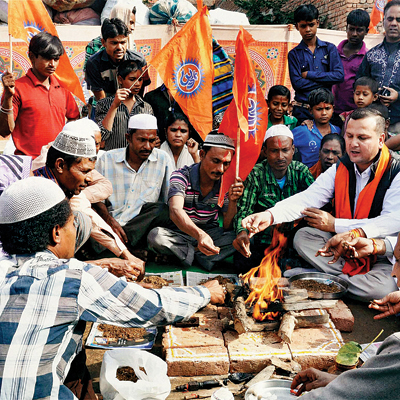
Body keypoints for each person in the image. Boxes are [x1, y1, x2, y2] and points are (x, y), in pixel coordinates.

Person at [0, 176, 225, 399]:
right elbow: (154, 307)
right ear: (56, 232)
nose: (75, 231)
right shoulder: (73, 276)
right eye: (73, 224)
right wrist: (205, 292)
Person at [241, 108, 400, 301]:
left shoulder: (396, 171)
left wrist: (336, 226)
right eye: (349, 136)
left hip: (383, 253)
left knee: (383, 289)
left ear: (381, 139)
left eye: (362, 138)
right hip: (345, 250)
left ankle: (319, 280)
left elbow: (391, 222)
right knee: (303, 237)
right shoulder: (343, 167)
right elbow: (309, 197)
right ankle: (333, 281)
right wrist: (270, 215)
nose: (353, 144)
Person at [147, 132, 244, 271]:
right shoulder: (181, 176)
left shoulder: (226, 182)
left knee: (241, 236)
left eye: (226, 163)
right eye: (216, 161)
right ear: (202, 154)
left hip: (211, 233)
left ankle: (185, 255)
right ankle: (203, 256)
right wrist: (200, 235)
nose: (220, 169)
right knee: (156, 236)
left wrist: (233, 201)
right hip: (181, 232)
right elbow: (175, 211)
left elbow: (228, 225)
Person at [233, 125, 314, 273]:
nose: (280, 157)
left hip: (293, 243)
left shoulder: (301, 172)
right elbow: (244, 209)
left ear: (293, 150)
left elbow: (316, 205)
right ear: (265, 151)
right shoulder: (256, 174)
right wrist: (242, 233)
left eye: (285, 150)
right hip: (263, 243)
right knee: (242, 262)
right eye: (274, 151)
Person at [291, 290, 400, 399]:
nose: (393, 274)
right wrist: (337, 380)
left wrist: (341, 384)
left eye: (397, 271)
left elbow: (364, 391)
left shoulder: (396, 347)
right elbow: (375, 384)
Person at [94, 114, 173, 256]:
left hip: (142, 227)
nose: (147, 146)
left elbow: (169, 198)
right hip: (110, 224)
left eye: (152, 141)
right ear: (128, 138)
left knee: (162, 209)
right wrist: (108, 220)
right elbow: (96, 199)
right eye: (142, 140)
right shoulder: (107, 159)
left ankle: (114, 247)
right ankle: (123, 248)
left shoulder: (163, 159)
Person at [0, 32, 79, 158]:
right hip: (27, 163)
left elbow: (74, 121)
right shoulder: (17, 88)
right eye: (47, 58)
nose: (53, 64)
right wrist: (8, 98)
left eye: (56, 59)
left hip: (57, 164)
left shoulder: (63, 88)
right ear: (32, 57)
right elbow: (4, 131)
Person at [288, 5, 344, 123]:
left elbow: (339, 76)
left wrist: (309, 74)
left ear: (317, 23)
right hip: (303, 110)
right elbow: (297, 84)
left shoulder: (330, 49)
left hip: (326, 111)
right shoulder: (294, 54)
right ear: (297, 27)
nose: (308, 29)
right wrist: (326, 79)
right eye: (303, 26)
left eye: (311, 25)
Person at [357, 0, 400, 134]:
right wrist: (373, 94)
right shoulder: (371, 54)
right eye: (390, 19)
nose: (394, 23)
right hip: (372, 123)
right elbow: (359, 84)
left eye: (399, 20)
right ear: (383, 22)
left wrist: (398, 95)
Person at [85, 18, 148, 102]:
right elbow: (101, 99)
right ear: (103, 42)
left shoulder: (138, 60)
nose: (119, 48)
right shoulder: (94, 63)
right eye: (114, 43)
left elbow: (139, 95)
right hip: (105, 108)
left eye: (123, 42)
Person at [95, 59, 153, 150]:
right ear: (120, 79)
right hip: (113, 160)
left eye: (140, 79)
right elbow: (102, 135)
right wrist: (114, 106)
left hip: (137, 162)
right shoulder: (104, 104)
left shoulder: (146, 107)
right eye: (132, 79)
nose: (137, 84)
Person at [332, 9, 370, 118]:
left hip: (355, 112)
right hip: (331, 110)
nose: (354, 34)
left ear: (366, 31)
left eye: (359, 30)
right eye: (351, 29)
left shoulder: (368, 57)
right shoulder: (333, 52)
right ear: (346, 28)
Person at [292, 88, 341, 168]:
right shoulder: (302, 131)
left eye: (327, 108)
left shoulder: (337, 131)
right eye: (319, 109)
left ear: (333, 109)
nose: (324, 113)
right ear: (310, 110)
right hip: (308, 177)